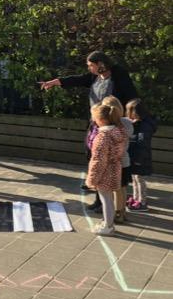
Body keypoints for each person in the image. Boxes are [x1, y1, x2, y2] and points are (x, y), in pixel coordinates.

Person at [40, 51, 138, 208]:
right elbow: (77, 79)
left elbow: (132, 97)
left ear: (101, 64)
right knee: (93, 156)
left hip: (111, 126)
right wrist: (54, 82)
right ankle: (100, 197)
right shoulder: (94, 77)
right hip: (95, 124)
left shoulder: (118, 76)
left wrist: (132, 117)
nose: (89, 68)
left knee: (107, 162)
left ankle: (109, 204)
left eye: (91, 65)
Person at [86, 103, 127, 236]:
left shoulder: (102, 137)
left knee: (106, 200)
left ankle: (108, 226)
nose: (93, 120)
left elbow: (98, 160)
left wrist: (92, 179)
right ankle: (107, 223)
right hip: (114, 169)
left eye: (94, 118)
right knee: (108, 199)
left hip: (104, 173)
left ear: (101, 120)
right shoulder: (119, 132)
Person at [101, 96, 133, 223]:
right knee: (123, 188)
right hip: (125, 160)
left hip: (115, 162)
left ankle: (117, 214)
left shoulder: (111, 125)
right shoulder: (127, 123)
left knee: (116, 189)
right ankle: (122, 212)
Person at [125, 99, 157, 212]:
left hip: (140, 158)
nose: (129, 115)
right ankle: (135, 199)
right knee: (135, 179)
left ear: (137, 112)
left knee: (139, 180)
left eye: (130, 112)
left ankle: (142, 202)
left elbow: (142, 144)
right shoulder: (140, 123)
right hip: (136, 157)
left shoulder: (145, 126)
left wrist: (138, 159)